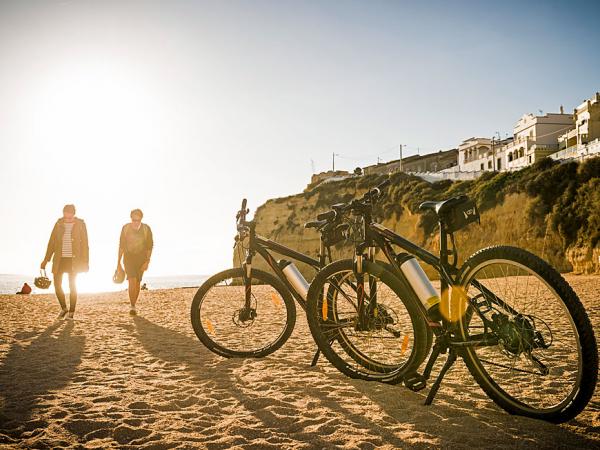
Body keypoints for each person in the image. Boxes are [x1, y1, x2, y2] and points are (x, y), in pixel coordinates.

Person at [41, 204, 89, 320]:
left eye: (69, 215)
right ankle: (64, 308)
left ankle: (71, 312)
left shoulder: (81, 225)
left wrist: (86, 261)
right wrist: (46, 260)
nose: (67, 217)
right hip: (59, 259)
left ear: (73, 214)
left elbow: (85, 245)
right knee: (57, 285)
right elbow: (51, 243)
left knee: (72, 286)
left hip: (74, 260)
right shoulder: (58, 224)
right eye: (65, 214)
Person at [117, 209, 153, 315]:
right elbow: (121, 246)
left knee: (137, 283)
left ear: (141, 219)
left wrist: (147, 261)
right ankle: (132, 306)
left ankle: (134, 304)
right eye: (133, 219)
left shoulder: (146, 229)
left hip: (141, 259)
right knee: (131, 280)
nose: (135, 222)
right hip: (128, 258)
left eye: (137, 220)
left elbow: (149, 246)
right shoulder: (125, 228)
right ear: (131, 218)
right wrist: (118, 263)